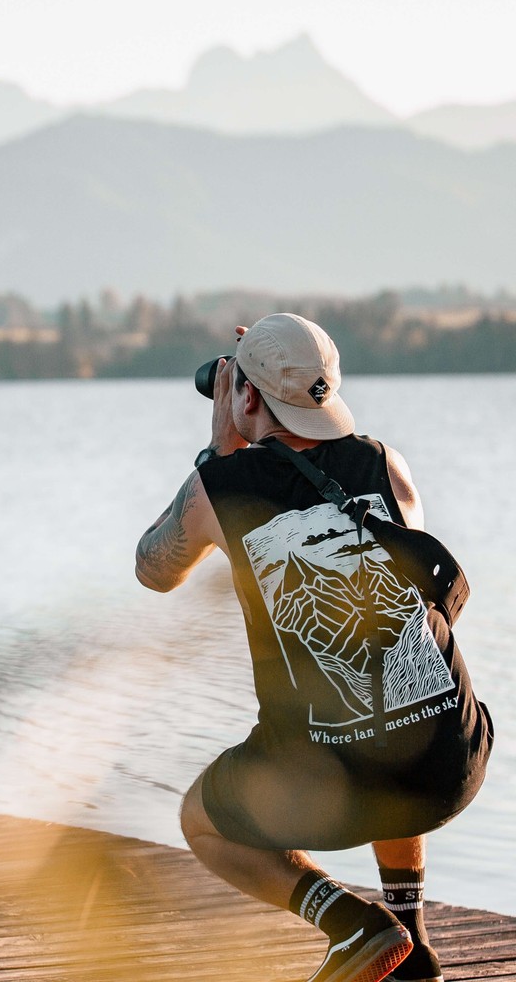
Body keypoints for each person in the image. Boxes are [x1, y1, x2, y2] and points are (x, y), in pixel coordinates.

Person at [135, 313, 493, 982]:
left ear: (244, 397)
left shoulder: (221, 485)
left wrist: (218, 455)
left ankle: (350, 924)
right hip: (455, 761)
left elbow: (152, 570)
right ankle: (411, 943)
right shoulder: (386, 463)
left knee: (200, 819)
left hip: (334, 782)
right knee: (393, 683)